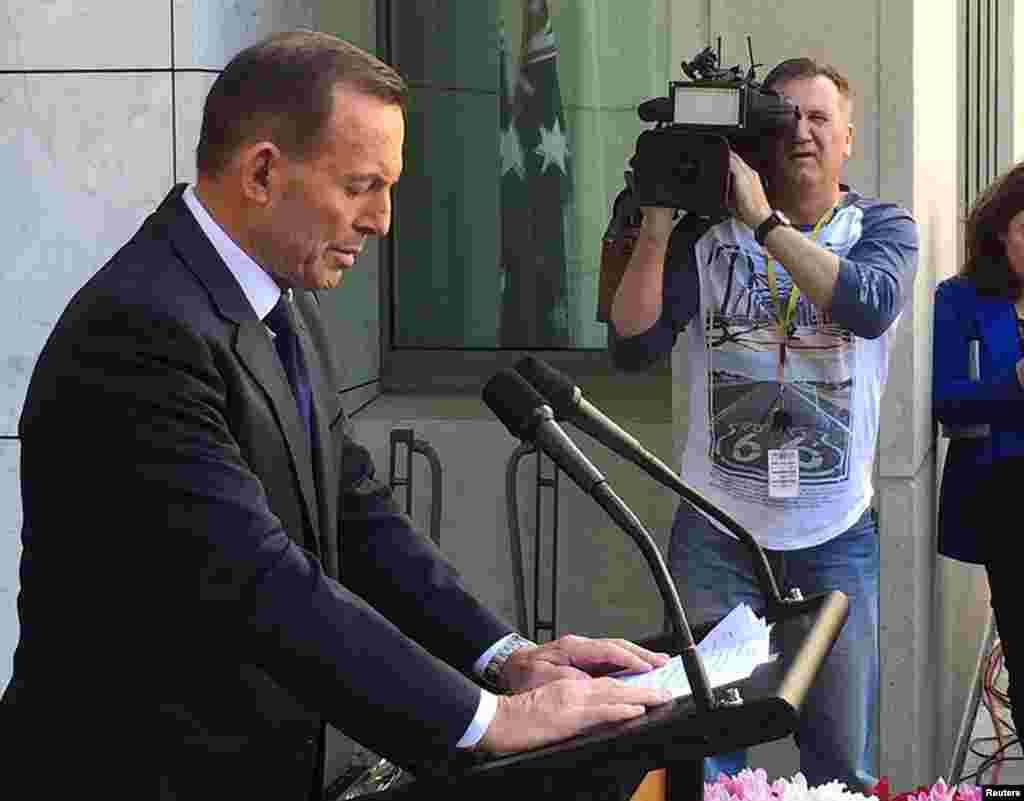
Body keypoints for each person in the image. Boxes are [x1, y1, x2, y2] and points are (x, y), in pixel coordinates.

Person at [0, 31, 673, 800]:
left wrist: (504, 657)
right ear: (262, 172)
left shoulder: (278, 301)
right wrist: (489, 720)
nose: (382, 220)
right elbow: (260, 580)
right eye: (361, 186)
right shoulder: (140, 331)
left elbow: (355, 516)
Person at [606, 57, 919, 791]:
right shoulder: (707, 237)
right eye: (785, 117)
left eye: (820, 117)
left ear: (848, 137)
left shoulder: (880, 227)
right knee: (706, 757)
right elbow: (632, 346)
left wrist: (764, 223)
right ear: (759, 137)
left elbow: (868, 305)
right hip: (717, 531)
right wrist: (657, 221)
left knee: (839, 760)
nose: (802, 132)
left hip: (835, 534)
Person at [933, 162, 1024, 738]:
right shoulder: (960, 298)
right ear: (1001, 232)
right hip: (1005, 494)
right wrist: (1015, 379)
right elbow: (949, 403)